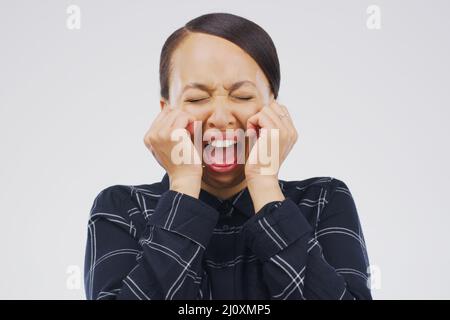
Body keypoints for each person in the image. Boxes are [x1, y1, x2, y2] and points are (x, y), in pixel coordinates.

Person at [84, 12, 372, 300]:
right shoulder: (122, 208)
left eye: (243, 97)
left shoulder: (323, 200)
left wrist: (264, 182)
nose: (221, 118)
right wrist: (184, 183)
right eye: (196, 99)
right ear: (165, 111)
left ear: (273, 107)